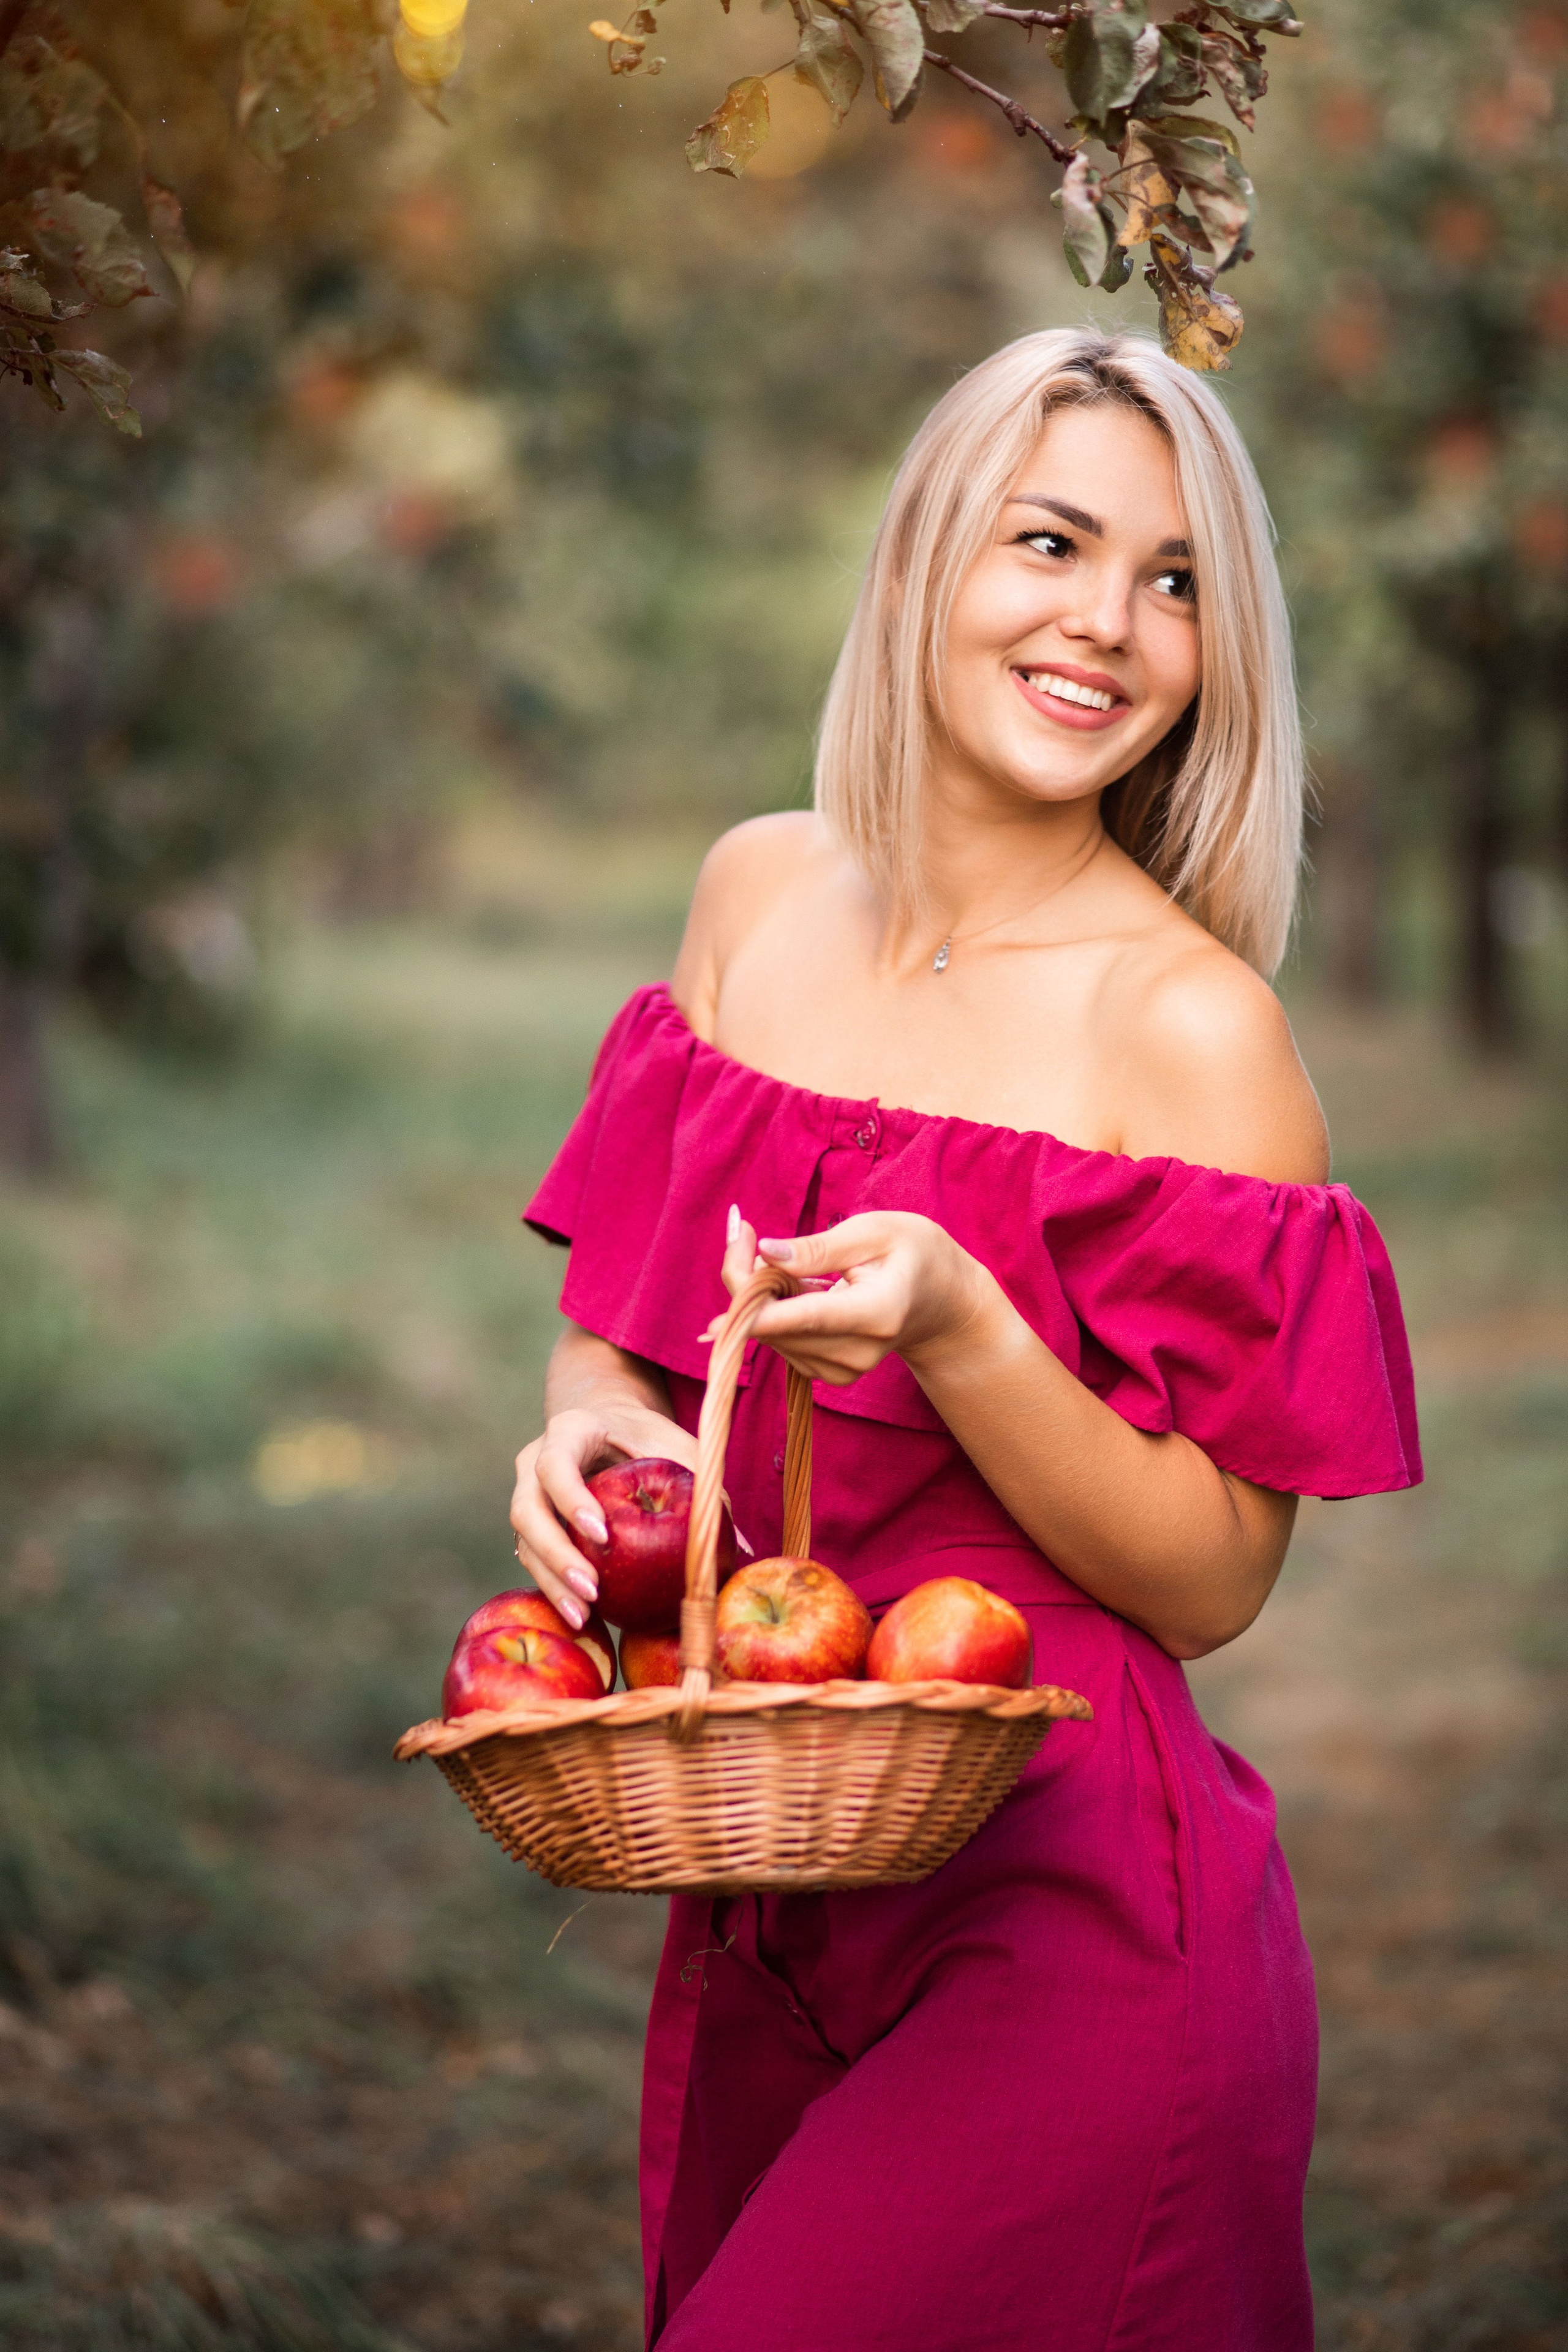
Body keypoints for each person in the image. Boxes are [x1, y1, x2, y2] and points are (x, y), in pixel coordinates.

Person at [510, 328, 1421, 2351]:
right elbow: (621, 1333)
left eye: (1177, 581)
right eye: (1054, 542)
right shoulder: (755, 895)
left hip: (1068, 1908)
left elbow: (1217, 1584)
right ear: (927, 549)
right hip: (769, 1868)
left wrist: (974, 1331)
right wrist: (589, 1435)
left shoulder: (1185, 1029)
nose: (1109, 623)